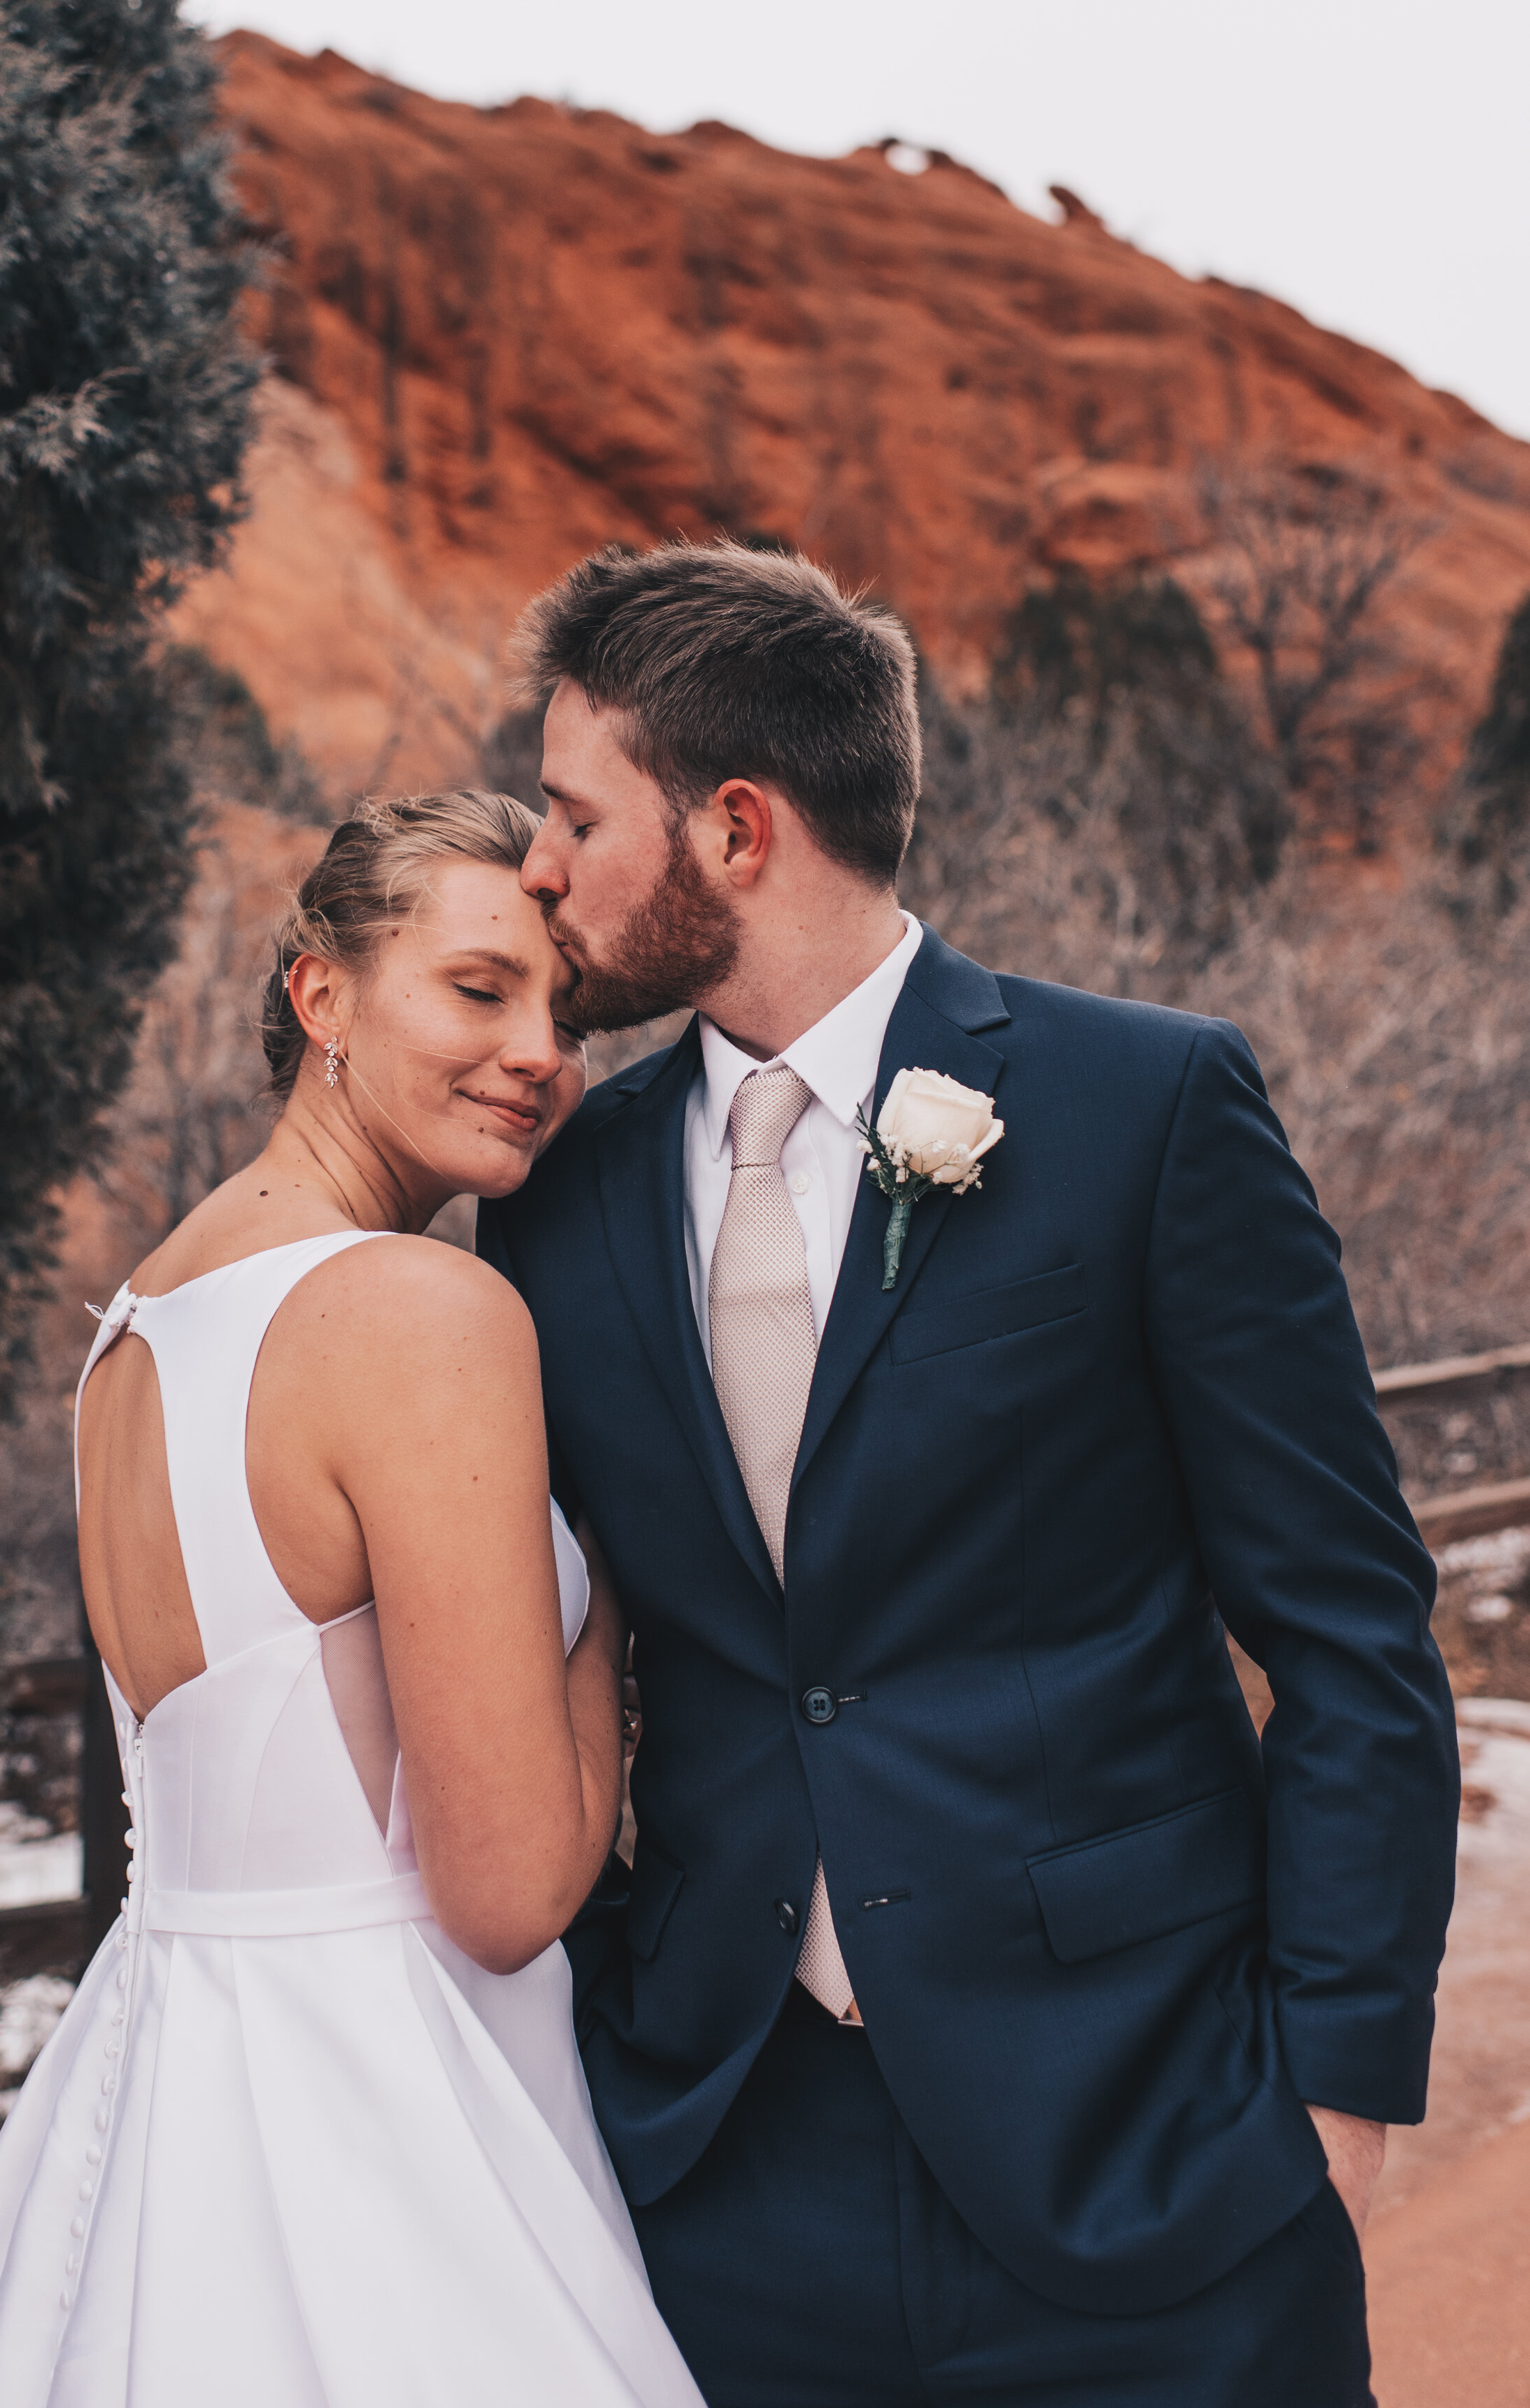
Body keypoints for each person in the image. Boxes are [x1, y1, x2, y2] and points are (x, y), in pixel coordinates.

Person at [478, 541, 1462, 2408]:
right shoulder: (558, 1200)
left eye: (572, 811)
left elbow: (1347, 1629)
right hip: (721, 2169)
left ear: (736, 828)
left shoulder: (1142, 1109)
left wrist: (1327, 2103)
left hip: (1148, 2144)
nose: (539, 865)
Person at [0, 791, 706, 2408]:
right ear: (320, 995)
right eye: (480, 987)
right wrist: (611, 1584)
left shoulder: (141, 1320)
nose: (542, 1049)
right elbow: (507, 1892)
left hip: (154, 2083)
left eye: (564, 1004)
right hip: (382, 2114)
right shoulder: (421, 1310)